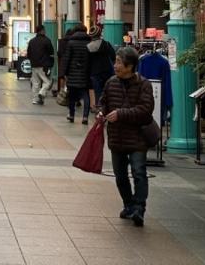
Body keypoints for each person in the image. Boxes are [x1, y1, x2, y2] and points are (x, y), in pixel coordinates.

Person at [97, 46, 155, 228]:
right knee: (120, 176)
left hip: (137, 137)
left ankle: (139, 208)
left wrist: (121, 114)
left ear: (130, 66)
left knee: (139, 172)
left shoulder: (144, 85)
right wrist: (101, 112)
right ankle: (128, 204)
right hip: (117, 137)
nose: (115, 66)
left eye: (119, 63)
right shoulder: (111, 83)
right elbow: (103, 102)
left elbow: (146, 110)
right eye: (115, 62)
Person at [58, 25, 92, 124]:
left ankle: (71, 115)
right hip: (85, 73)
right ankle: (85, 117)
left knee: (72, 96)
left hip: (72, 73)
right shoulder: (89, 43)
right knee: (85, 95)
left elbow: (66, 59)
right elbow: (91, 59)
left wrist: (63, 73)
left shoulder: (71, 43)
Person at [26, 26, 55, 105]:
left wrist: (32, 61)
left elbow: (28, 54)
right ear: (42, 31)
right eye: (44, 30)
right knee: (47, 82)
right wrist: (51, 63)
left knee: (35, 83)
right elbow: (51, 53)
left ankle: (35, 99)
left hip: (34, 65)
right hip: (44, 65)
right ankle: (41, 93)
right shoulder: (47, 40)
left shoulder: (32, 41)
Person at [87, 30, 116, 103]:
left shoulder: (88, 46)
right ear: (100, 34)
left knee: (98, 92)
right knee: (108, 91)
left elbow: (87, 61)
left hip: (95, 72)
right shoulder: (106, 44)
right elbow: (113, 56)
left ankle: (99, 106)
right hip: (107, 71)